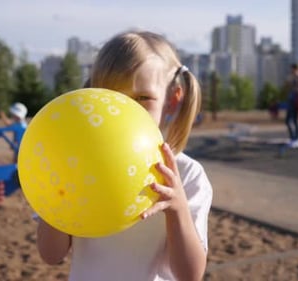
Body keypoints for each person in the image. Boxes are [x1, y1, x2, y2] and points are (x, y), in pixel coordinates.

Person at [36, 31, 213, 281]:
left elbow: (190, 275)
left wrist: (178, 210)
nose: (124, 111)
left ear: (172, 101)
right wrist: (59, 189)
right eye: (113, 98)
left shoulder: (186, 174)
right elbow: (51, 255)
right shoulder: (77, 165)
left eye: (142, 98)